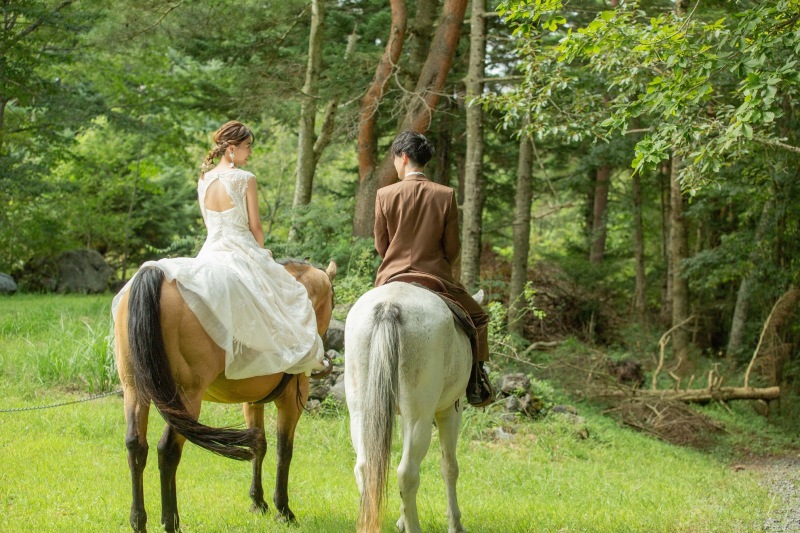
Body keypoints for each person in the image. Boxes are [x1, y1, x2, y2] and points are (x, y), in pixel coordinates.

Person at [112, 120, 329, 379]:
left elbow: (208, 223)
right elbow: (256, 228)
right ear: (231, 150)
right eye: (248, 146)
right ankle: (303, 360)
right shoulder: (245, 179)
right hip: (240, 249)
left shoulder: (204, 179)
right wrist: (262, 253)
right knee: (289, 294)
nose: (250, 152)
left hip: (211, 250)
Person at [373, 130, 494, 407]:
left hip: (393, 275)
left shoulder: (384, 194)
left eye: (394, 158)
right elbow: (452, 247)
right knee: (479, 318)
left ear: (403, 157)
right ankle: (477, 381)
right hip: (434, 275)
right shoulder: (445, 195)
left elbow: (382, 245)